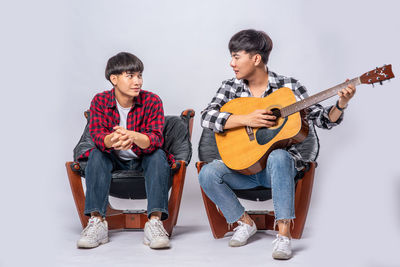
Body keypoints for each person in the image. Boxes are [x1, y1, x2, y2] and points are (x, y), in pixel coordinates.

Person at [198, 29, 356, 260]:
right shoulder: (230, 87)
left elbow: (322, 119)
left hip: (277, 172)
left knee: (279, 156)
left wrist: (341, 103)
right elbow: (206, 117)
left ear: (256, 58)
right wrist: (245, 119)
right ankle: (244, 222)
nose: (231, 63)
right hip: (243, 169)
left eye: (236, 56)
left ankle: (283, 235)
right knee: (208, 173)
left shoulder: (289, 88)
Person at [76, 52, 172, 249]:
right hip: (113, 158)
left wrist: (132, 135)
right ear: (114, 79)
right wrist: (114, 139)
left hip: (143, 157)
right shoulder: (100, 101)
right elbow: (97, 136)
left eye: (139, 75)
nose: (137, 81)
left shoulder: (152, 101)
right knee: (96, 153)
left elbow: (155, 139)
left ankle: (154, 222)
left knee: (158, 155)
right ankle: (97, 222)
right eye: (130, 76)